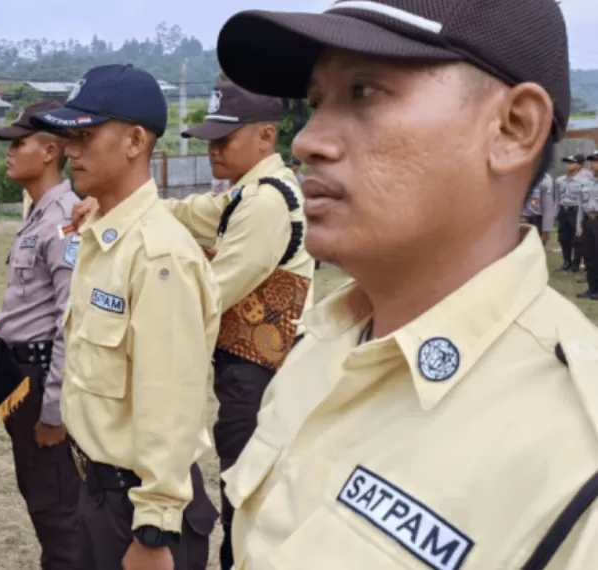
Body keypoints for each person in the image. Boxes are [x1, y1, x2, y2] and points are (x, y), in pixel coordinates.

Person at [215, 0, 598, 568]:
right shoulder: (324, 343)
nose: (308, 141)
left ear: (514, 128)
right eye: (317, 102)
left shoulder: (575, 457)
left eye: (364, 92)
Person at [31, 63, 221, 570]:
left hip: (137, 508)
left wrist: (155, 529)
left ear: (135, 140)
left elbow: (171, 401)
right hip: (96, 488)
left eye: (87, 135)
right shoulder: (104, 235)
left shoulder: (159, 256)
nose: (71, 149)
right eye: (70, 136)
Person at [0, 100, 85, 569]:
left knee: (58, 508)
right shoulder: (38, 214)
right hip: (22, 375)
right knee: (42, 498)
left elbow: (71, 321)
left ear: (50, 151)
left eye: (18, 143)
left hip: (43, 374)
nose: (9, 152)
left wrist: (53, 410)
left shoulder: (64, 218)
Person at [556, 154, 588, 272]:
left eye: (571, 162)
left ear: (579, 165)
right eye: (567, 162)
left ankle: (576, 263)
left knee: (577, 239)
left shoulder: (584, 181)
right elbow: (557, 198)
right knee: (563, 237)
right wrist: (556, 214)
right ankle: (566, 261)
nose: (568, 165)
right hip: (563, 211)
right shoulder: (560, 180)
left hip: (576, 211)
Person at [576, 151, 598, 301]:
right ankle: (592, 289)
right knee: (589, 256)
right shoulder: (587, 182)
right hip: (588, 221)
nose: (593, 163)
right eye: (592, 160)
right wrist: (579, 225)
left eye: (596, 160)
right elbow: (580, 205)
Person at [521, 172, 555, 244]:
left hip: (536, 220)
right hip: (516, 220)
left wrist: (546, 229)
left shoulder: (545, 179)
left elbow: (547, 206)